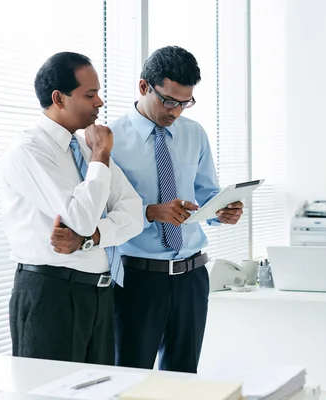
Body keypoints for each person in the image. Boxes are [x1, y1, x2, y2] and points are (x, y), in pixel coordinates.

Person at [1, 51, 144, 365]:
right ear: (59, 98)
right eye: (90, 94)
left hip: (99, 294)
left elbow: (134, 213)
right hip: (49, 294)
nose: (100, 103)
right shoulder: (29, 150)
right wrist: (101, 156)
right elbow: (79, 218)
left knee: (99, 391)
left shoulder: (83, 147)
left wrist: (93, 237)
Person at [108, 45, 244, 373]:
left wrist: (223, 210)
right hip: (137, 278)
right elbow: (101, 212)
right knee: (130, 376)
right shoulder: (109, 139)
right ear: (144, 87)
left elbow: (207, 192)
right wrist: (151, 212)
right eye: (169, 101)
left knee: (184, 379)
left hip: (192, 276)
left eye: (186, 103)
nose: (177, 112)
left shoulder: (194, 133)